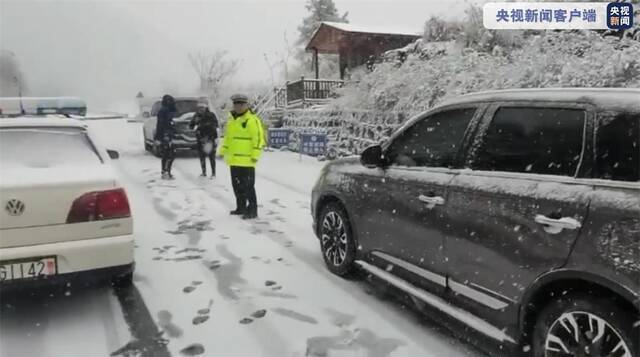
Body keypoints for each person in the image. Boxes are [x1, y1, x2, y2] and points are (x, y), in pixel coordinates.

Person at [217, 94, 265, 220]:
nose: (238, 107)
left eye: (241, 104)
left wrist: (255, 155)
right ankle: (241, 207)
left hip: (247, 161)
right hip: (234, 160)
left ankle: (252, 210)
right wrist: (222, 151)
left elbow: (259, 139)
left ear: (246, 105)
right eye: (236, 104)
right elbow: (228, 139)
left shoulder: (251, 120)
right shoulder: (232, 120)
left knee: (248, 187)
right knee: (237, 186)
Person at [190, 103, 219, 178]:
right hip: (200, 139)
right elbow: (191, 125)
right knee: (202, 156)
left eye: (202, 108)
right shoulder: (196, 116)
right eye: (199, 108)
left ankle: (213, 173)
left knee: (211, 156)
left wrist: (206, 125)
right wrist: (194, 127)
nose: (201, 109)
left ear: (206, 108)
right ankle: (204, 172)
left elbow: (216, 124)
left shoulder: (211, 115)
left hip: (210, 138)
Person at [154, 94, 177, 180]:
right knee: (169, 154)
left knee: (167, 154)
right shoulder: (165, 111)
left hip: (167, 135)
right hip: (166, 135)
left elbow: (161, 124)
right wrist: (162, 136)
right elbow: (161, 124)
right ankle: (166, 172)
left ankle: (165, 171)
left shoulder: (166, 110)